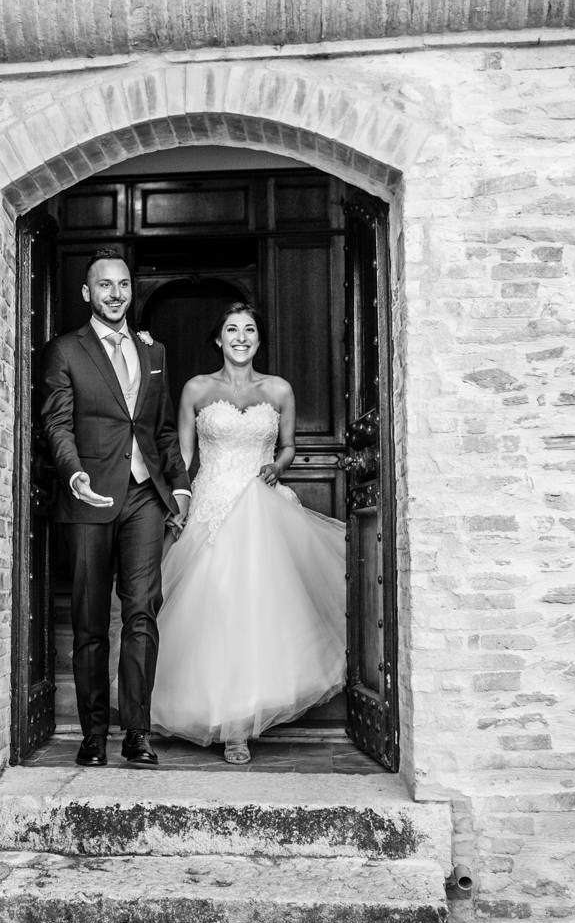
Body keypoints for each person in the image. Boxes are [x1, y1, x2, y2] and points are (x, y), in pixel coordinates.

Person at [151, 302, 346, 764]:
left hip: (261, 507)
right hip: (212, 507)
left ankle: (240, 724)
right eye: (232, 329)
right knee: (214, 612)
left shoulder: (278, 389)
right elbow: (184, 456)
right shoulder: (197, 388)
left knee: (257, 613)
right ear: (218, 338)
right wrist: (177, 504)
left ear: (259, 339)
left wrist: (277, 466)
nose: (241, 337)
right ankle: (216, 714)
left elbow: (288, 446)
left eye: (250, 329)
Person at [40, 252, 193, 768]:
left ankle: (137, 733)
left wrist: (180, 487)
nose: (115, 294)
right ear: (88, 293)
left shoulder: (154, 351)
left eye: (123, 284)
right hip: (89, 497)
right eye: (104, 285)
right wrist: (73, 473)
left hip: (145, 495)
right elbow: (57, 423)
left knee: (142, 612)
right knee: (88, 621)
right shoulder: (65, 350)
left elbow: (161, 428)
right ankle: (93, 734)